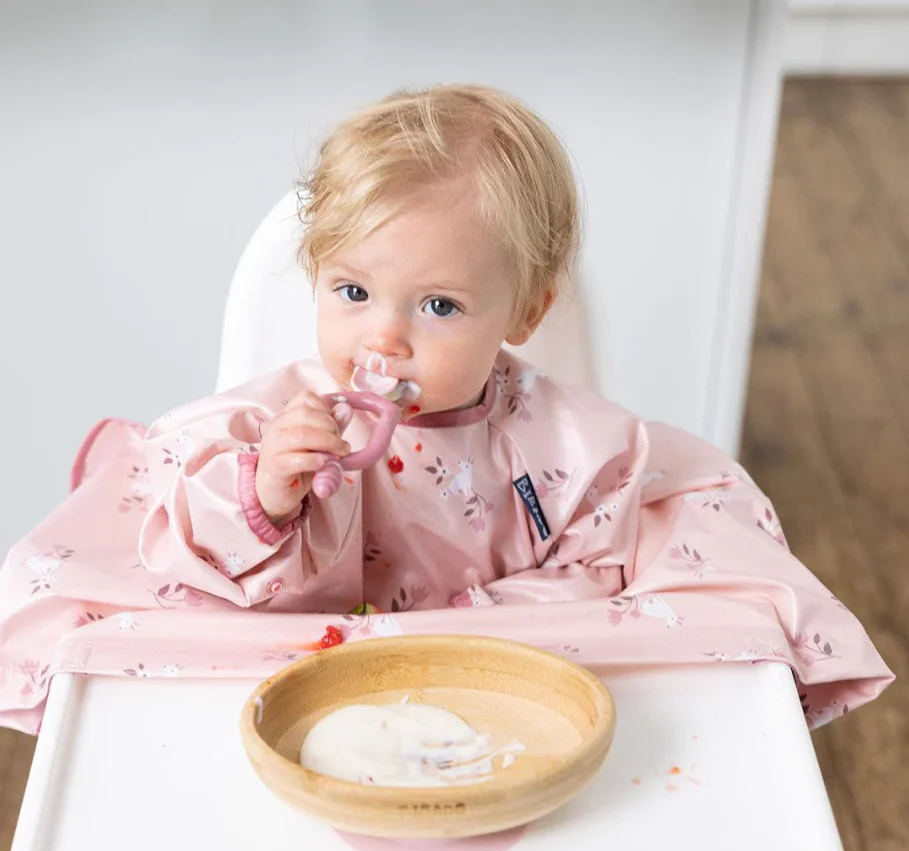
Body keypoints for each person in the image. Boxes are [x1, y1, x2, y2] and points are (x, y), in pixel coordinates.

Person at [0, 85, 892, 733]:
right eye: (351, 291)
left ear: (526, 314)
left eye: (437, 307)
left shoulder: (573, 446)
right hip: (302, 701)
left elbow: (598, 568)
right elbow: (203, 563)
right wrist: (266, 500)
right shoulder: (268, 431)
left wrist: (471, 617)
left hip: (506, 696)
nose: (383, 339)